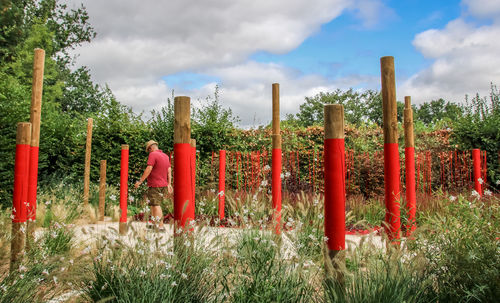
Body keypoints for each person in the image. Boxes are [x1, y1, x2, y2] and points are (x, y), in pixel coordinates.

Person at [134, 140, 172, 231]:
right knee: (153, 204)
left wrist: (140, 181)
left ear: (151, 148)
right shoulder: (165, 156)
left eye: (148, 150)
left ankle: (161, 226)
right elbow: (169, 170)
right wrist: (169, 184)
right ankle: (155, 224)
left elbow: (149, 168)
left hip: (155, 184)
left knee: (156, 205)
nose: (149, 152)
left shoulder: (153, 155)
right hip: (163, 184)